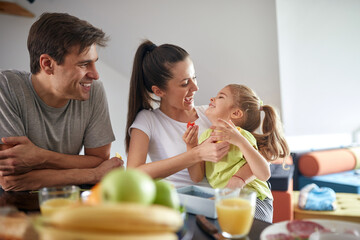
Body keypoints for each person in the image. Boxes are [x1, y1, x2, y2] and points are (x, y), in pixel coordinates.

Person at [0, 12, 123, 191]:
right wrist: (93, 174)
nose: (95, 75)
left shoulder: (93, 90)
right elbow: (11, 180)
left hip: (67, 200)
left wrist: (40, 157)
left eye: (95, 62)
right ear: (47, 64)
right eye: (83, 64)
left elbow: (100, 161)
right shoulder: (6, 88)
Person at [183, 84, 290, 222]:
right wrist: (191, 147)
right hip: (227, 200)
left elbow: (264, 174)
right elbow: (196, 177)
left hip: (255, 199)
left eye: (220, 97)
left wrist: (240, 142)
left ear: (236, 113)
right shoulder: (205, 137)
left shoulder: (242, 136)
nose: (212, 98)